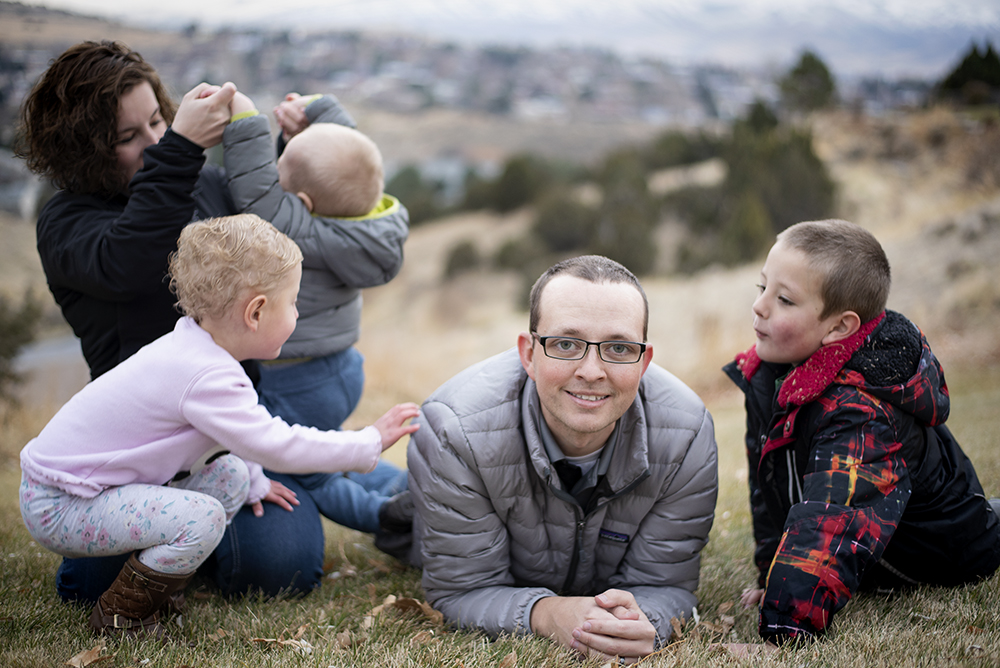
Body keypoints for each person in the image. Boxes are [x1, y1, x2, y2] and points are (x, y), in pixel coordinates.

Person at [14, 40, 326, 602]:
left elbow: (265, 237)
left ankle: (194, 536)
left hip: (225, 435)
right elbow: (134, 265)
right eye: (128, 138)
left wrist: (288, 143)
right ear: (83, 153)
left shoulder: (199, 183)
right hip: (133, 460)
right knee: (92, 588)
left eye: (159, 120)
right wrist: (180, 148)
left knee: (285, 567)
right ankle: (177, 540)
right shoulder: (66, 222)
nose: (155, 141)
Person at [18, 213, 420, 637]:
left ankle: (163, 581)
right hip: (61, 502)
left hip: (81, 490)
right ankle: (124, 616)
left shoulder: (195, 347)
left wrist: (254, 481)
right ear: (257, 311)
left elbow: (230, 444)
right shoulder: (206, 375)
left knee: (231, 475)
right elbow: (274, 443)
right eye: (294, 301)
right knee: (204, 517)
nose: (297, 314)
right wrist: (366, 443)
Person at [408, 255, 718, 664]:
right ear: (529, 354)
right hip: (426, 498)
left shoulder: (687, 437)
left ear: (644, 362)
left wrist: (645, 621)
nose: (591, 371)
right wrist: (545, 613)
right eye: (566, 344)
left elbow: (667, 586)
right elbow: (461, 590)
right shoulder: (454, 432)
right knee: (380, 508)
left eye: (619, 347)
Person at [722, 219, 1000, 649]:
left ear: (838, 328)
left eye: (784, 300)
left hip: (946, 552)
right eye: (761, 289)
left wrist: (785, 629)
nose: (759, 307)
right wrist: (770, 574)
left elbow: (832, 519)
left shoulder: (859, 410)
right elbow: (770, 487)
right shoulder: (773, 376)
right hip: (879, 559)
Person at [222, 91, 413, 553]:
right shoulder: (374, 222)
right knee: (330, 445)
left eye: (282, 169)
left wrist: (245, 118)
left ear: (302, 201)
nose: (275, 174)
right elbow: (352, 158)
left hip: (296, 378)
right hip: (342, 366)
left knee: (308, 468)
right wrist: (322, 114)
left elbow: (254, 189)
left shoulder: (298, 226)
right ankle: (407, 488)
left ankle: (387, 519)